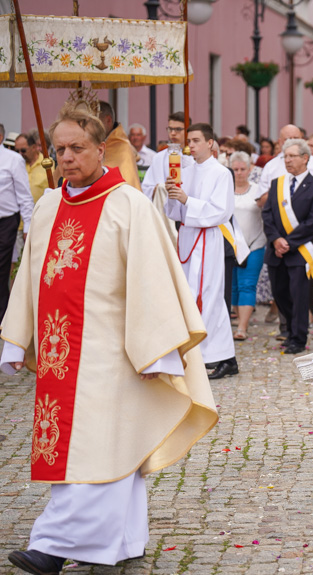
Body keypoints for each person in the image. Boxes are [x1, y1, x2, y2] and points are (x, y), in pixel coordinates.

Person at [0, 103, 217, 573]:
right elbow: (31, 274)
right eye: (59, 149)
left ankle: (52, 546)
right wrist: (17, 339)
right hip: (62, 355)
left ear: (103, 149)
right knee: (101, 445)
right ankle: (121, 541)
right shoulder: (49, 205)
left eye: (77, 148)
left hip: (113, 353)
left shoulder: (128, 206)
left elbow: (153, 281)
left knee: (97, 446)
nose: (67, 158)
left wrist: (158, 351)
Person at [164, 123, 239, 380]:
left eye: (196, 140)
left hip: (208, 236)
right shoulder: (185, 170)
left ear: (210, 143)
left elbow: (221, 211)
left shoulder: (221, 173)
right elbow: (174, 212)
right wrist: (173, 195)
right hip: (187, 235)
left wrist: (187, 200)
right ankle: (205, 354)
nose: (191, 145)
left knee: (208, 295)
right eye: (189, 141)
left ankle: (215, 356)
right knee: (189, 294)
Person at [261, 138, 313, 354]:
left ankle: (298, 338)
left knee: (298, 296)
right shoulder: (277, 184)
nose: (287, 160)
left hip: (299, 251)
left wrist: (288, 242)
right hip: (276, 251)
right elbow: (267, 214)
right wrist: (275, 239)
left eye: (292, 156)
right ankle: (289, 331)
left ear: (305, 158)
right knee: (280, 294)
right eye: (285, 157)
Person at [229, 151, 266, 341]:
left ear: (249, 169)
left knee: (247, 284)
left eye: (243, 169)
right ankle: (238, 318)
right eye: (235, 169)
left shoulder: (257, 190)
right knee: (233, 286)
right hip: (230, 245)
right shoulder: (225, 190)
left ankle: (242, 327)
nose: (239, 173)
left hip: (254, 244)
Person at [0, 123, 33, 322]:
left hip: (5, 223)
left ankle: (3, 317)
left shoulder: (13, 160)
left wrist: (28, 225)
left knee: (2, 270)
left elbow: (24, 196)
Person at [141, 111, 194, 201]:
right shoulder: (159, 157)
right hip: (165, 207)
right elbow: (146, 188)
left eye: (178, 129)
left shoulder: (195, 155)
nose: (173, 133)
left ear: (188, 130)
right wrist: (160, 188)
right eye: (170, 129)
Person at [97, 101, 141, 190]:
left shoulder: (124, 149)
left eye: (95, 122)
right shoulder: (94, 142)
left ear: (108, 120)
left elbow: (128, 186)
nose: (90, 127)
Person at [15, 130, 49, 203]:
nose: (19, 154)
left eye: (23, 150)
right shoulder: (16, 164)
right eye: (17, 151)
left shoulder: (48, 163)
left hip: (41, 211)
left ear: (33, 147)